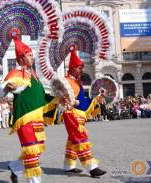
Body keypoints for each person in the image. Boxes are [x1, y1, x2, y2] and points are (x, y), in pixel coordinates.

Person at [0, 29, 57, 183]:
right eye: (29, 55)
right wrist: (7, 87)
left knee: (36, 150)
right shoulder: (18, 72)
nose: (32, 57)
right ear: (21, 58)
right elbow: (2, 88)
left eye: (32, 55)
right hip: (24, 118)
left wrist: (59, 99)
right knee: (31, 151)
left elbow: (42, 97)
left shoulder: (34, 76)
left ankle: (15, 167)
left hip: (37, 119)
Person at [56, 47, 106, 178]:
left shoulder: (77, 82)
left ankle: (69, 166)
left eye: (82, 67)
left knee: (73, 140)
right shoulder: (66, 81)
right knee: (80, 138)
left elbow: (83, 101)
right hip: (71, 114)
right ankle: (92, 167)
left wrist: (96, 97)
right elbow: (61, 99)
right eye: (79, 67)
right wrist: (69, 102)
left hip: (79, 115)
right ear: (72, 68)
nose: (82, 70)